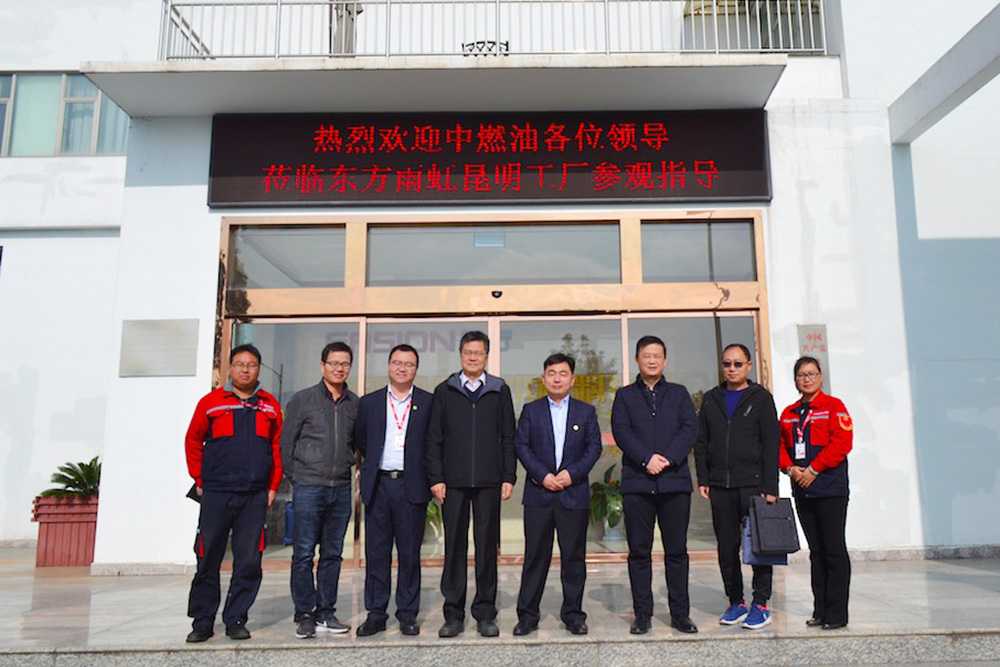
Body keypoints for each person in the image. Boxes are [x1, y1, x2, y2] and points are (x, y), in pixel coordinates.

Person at [184, 344, 282, 643]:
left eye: (251, 365)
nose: (245, 370)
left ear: (258, 369)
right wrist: (199, 478)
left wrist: (273, 486)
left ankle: (236, 618)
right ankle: (202, 621)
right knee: (207, 557)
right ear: (230, 368)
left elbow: (277, 448)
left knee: (249, 561)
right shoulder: (211, 402)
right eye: (239, 364)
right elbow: (193, 440)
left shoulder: (269, 405)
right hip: (216, 493)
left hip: (254, 495)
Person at [426, 330, 516, 638]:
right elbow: (434, 439)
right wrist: (436, 478)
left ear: (487, 356)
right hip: (453, 483)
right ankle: (453, 614)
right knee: (454, 548)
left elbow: (508, 436)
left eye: (479, 353)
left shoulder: (499, 390)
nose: (473, 357)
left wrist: (508, 476)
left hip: (490, 481)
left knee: (487, 548)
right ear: (461, 355)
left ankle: (485, 613)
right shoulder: (445, 390)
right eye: (468, 352)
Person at [611, 335, 699, 635]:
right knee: (639, 552)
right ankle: (643, 614)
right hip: (638, 483)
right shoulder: (624, 396)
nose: (651, 360)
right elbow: (621, 431)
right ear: (637, 359)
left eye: (657, 356)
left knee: (677, 551)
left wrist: (669, 458)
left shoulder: (679, 394)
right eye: (646, 355)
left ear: (665, 360)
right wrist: (646, 458)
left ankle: (680, 614)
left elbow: (690, 429)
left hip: (674, 484)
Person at [513, 353, 602, 637]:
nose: (557, 379)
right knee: (535, 557)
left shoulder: (585, 412)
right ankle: (527, 616)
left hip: (573, 494)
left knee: (573, 557)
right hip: (539, 494)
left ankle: (573, 615)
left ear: (572, 379)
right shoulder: (531, 410)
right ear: (543, 379)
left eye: (563, 374)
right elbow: (522, 445)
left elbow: (594, 447)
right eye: (551, 373)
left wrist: (571, 474)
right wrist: (543, 475)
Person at [694, 343, 780, 630]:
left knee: (760, 546)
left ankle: (761, 603)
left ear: (749, 366)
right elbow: (702, 442)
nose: (732, 369)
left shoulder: (761, 398)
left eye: (738, 364)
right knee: (726, 548)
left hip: (754, 485)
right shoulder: (711, 399)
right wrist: (704, 478)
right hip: (721, 486)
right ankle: (736, 601)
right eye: (727, 364)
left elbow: (771, 443)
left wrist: (770, 486)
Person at [353, 344, 433, 637]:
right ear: (388, 366)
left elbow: (433, 443)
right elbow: (361, 439)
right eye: (397, 363)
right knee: (377, 553)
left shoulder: (428, 402)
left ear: (416, 369)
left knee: (409, 553)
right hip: (379, 484)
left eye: (409, 364)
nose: (402, 368)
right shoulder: (370, 402)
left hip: (411, 485)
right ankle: (376, 614)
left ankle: (408, 614)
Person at [280, 341, 358, 639]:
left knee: (333, 554)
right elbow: (287, 443)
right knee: (303, 553)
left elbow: (357, 444)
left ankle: (326, 612)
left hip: (340, 488)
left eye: (345, 364)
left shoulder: (354, 403)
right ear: (322, 365)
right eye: (334, 363)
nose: (340, 368)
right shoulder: (303, 399)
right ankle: (304, 613)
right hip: (309, 487)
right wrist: (297, 477)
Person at [779, 356, 853, 630]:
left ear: (820, 377)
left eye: (811, 374)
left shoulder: (834, 407)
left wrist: (813, 469)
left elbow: (842, 444)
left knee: (833, 550)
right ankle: (820, 610)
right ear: (795, 380)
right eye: (801, 375)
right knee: (816, 552)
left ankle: (837, 614)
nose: (807, 379)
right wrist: (791, 469)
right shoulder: (789, 413)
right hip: (803, 491)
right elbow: (779, 446)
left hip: (830, 490)